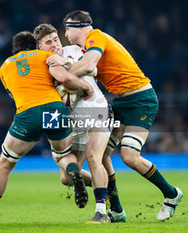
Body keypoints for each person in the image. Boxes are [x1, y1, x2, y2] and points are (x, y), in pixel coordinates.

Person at [47, 10, 183, 222]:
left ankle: (171, 194)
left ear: (79, 26)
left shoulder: (96, 37)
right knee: (101, 156)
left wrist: (63, 74)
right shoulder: (84, 48)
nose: (66, 34)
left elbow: (90, 65)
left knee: (129, 156)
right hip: (120, 102)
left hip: (141, 100)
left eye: (67, 28)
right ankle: (117, 211)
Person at [0, 31, 94, 224]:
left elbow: (12, 94)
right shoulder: (45, 56)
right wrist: (85, 87)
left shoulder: (4, 67)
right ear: (35, 45)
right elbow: (64, 78)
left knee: (5, 164)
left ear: (14, 50)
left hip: (28, 113)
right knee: (62, 155)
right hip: (54, 108)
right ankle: (73, 172)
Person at [34, 24, 125, 224]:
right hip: (74, 122)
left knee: (94, 156)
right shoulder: (42, 67)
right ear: (39, 47)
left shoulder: (74, 50)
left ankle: (101, 211)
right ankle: (110, 196)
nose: (54, 44)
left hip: (98, 110)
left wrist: (66, 62)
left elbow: (92, 67)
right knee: (66, 178)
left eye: (55, 39)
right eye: (48, 42)